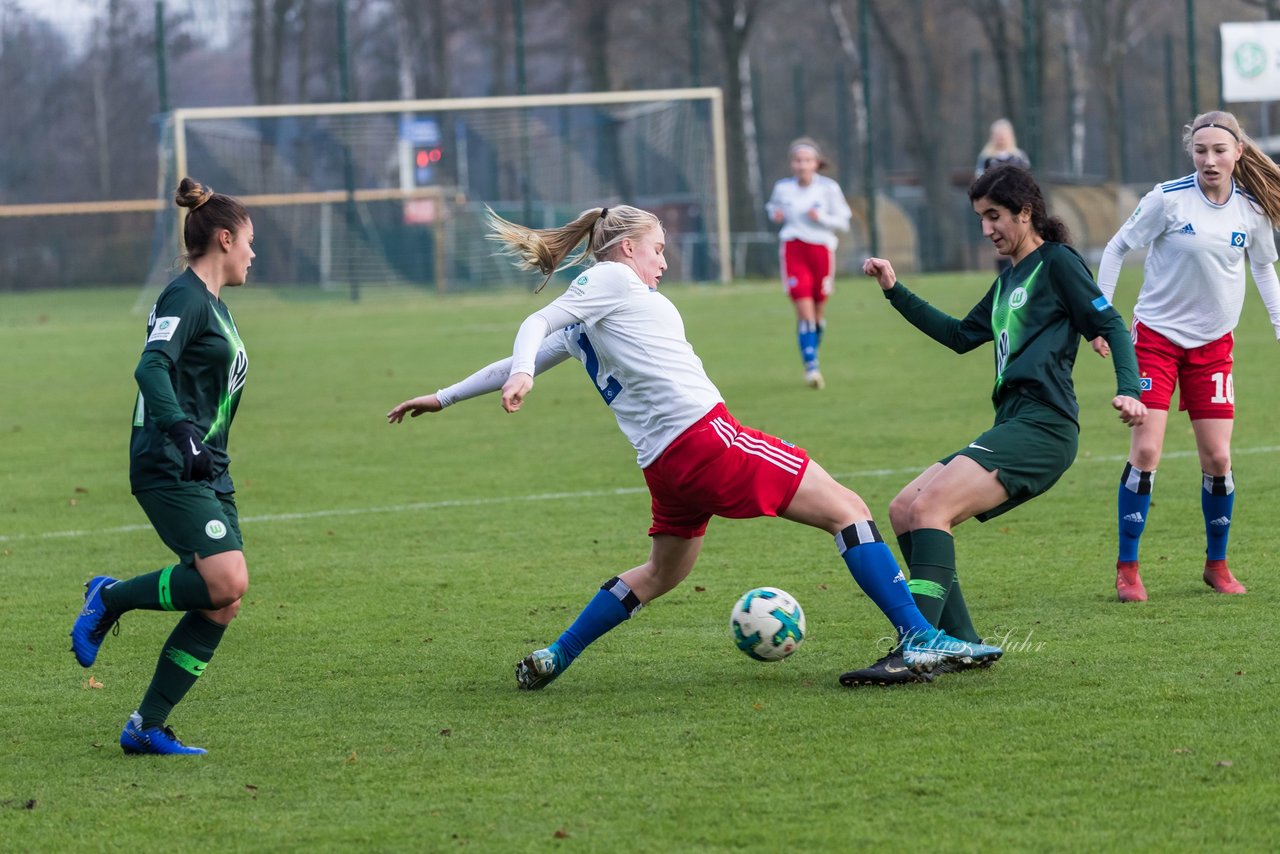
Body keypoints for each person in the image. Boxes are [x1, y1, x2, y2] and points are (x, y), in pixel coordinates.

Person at [388, 204, 1001, 688]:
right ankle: (920, 635)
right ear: (627, 247)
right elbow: (531, 329)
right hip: (708, 439)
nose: (663, 260)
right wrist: (522, 375)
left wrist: (442, 396)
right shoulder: (609, 280)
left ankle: (556, 654)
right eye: (657, 248)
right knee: (849, 510)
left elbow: (530, 345)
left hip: (665, 465)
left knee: (662, 572)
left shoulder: (595, 313)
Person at [851, 165, 1146, 681]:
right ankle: (961, 643)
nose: (987, 228)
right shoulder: (1009, 277)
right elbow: (960, 334)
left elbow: (1109, 323)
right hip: (1013, 422)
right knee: (904, 509)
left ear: (1025, 212)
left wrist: (1129, 387)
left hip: (1044, 426)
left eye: (995, 216)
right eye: (981, 218)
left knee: (933, 507)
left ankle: (917, 643)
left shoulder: (1056, 263)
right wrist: (895, 289)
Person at [70, 177, 255, 755]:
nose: (254, 253)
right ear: (224, 239)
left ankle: (146, 726)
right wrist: (184, 436)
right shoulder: (186, 297)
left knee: (222, 601)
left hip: (204, 466)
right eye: (250, 241)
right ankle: (110, 597)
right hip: (171, 460)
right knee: (228, 579)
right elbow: (151, 367)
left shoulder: (214, 307)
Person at [1090, 110, 1280, 602]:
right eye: (1201, 151)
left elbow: (1263, 270)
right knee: (1147, 452)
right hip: (1156, 340)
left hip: (1214, 347)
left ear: (1238, 151)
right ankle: (1128, 568)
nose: (1209, 160)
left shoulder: (1251, 211)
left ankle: (1217, 565)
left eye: (1219, 151)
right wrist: (1101, 317)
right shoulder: (1167, 199)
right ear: (1190, 152)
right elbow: (1115, 249)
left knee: (1218, 457)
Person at [765, 137, 852, 390]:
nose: (802, 165)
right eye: (797, 160)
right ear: (791, 164)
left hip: (822, 251)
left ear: (816, 163)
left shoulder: (828, 189)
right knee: (804, 310)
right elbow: (773, 209)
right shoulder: (783, 188)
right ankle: (811, 367)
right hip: (794, 249)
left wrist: (821, 217)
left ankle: (812, 349)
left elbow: (843, 222)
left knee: (818, 310)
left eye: (807, 160)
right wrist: (776, 215)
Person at [975, 119, 1031, 275]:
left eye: (1003, 135)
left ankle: (1022, 271)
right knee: (999, 239)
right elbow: (980, 182)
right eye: (997, 135)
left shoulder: (1019, 158)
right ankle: (1004, 276)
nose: (1000, 138)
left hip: (1015, 207)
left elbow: (1026, 181)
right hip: (994, 208)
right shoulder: (986, 159)